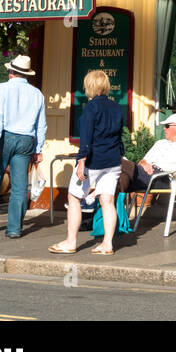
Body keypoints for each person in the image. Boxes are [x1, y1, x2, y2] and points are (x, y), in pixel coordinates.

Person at [50, 70, 123, 255]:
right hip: (114, 160)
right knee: (108, 201)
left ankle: (70, 241)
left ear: (89, 86)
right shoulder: (116, 107)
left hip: (93, 160)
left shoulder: (90, 107)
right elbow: (119, 135)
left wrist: (81, 161)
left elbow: (86, 137)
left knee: (74, 197)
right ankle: (107, 244)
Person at [0, 54, 47, 239]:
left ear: (12, 71)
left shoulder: (1, 89)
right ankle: (14, 227)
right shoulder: (37, 93)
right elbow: (41, 124)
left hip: (5, 136)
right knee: (20, 185)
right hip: (26, 139)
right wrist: (38, 148)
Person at [127, 112, 176, 194]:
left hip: (164, 179)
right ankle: (117, 205)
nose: (164, 128)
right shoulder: (160, 143)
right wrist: (144, 164)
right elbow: (142, 161)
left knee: (120, 168)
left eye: (167, 126)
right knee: (121, 177)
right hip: (148, 175)